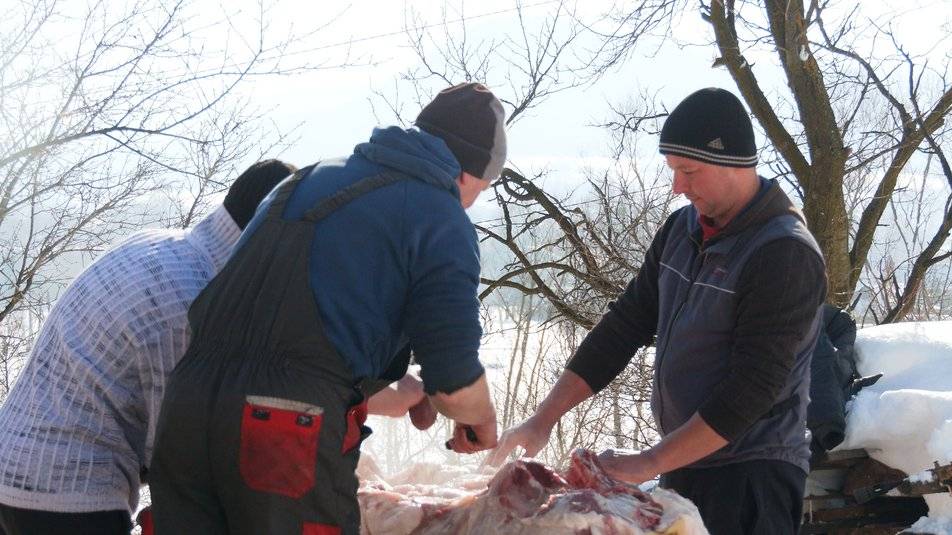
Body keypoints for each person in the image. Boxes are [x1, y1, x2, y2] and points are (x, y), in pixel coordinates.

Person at [149, 82, 507, 535]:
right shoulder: (441, 213)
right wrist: (481, 419)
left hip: (186, 409)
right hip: (281, 431)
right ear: (468, 172)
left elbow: (282, 341)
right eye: (484, 186)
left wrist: (397, 389)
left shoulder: (307, 179)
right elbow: (454, 381)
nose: (474, 201)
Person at [490, 88, 827, 535]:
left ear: (735, 164)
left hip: (752, 475)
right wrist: (543, 418)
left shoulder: (783, 253)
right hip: (685, 464)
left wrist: (645, 462)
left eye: (689, 171)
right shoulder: (681, 230)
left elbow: (752, 390)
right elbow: (624, 327)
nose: (678, 187)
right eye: (673, 171)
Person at [0, 160, 297, 535]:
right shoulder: (194, 304)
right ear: (273, 233)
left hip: (15, 470)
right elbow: (178, 457)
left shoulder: (161, 245)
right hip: (67, 493)